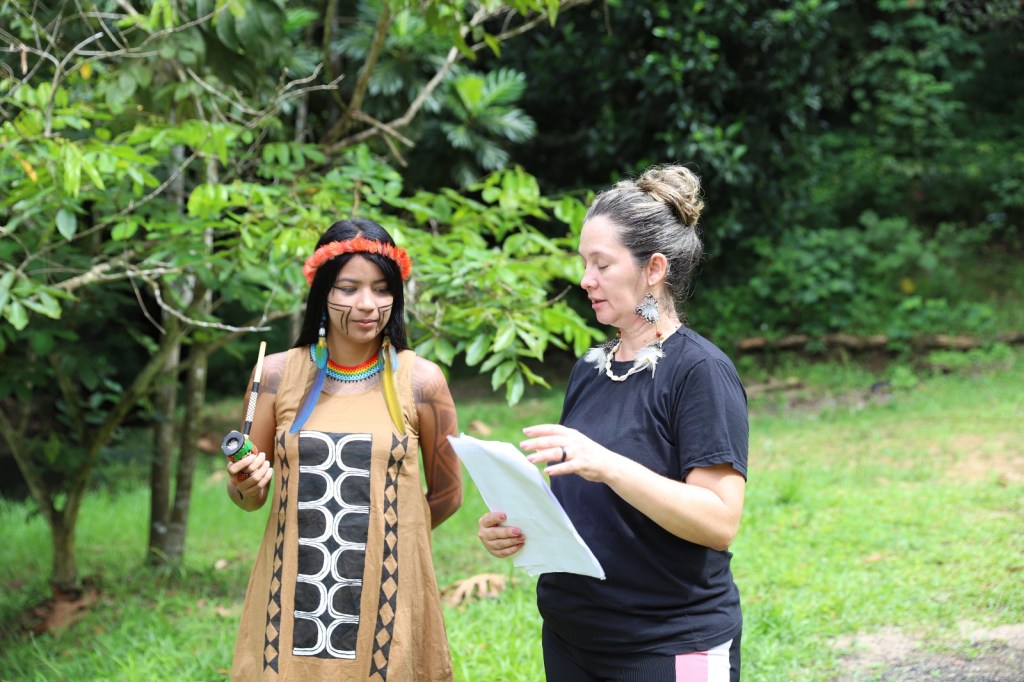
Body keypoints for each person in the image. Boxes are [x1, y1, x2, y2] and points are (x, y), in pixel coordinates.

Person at [478, 165, 748, 682]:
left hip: (671, 645)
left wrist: (608, 465)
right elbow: (589, 506)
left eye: (602, 264)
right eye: (585, 263)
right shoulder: (590, 368)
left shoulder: (700, 372)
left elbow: (719, 522)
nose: (586, 279)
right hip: (573, 637)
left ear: (654, 269)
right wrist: (518, 527)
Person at [227, 218, 463, 681]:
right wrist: (245, 485)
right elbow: (248, 496)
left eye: (381, 289)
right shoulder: (273, 377)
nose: (367, 305)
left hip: (388, 593)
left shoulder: (422, 382)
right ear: (322, 293)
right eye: (349, 289)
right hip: (291, 595)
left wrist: (381, 541)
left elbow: (448, 494)